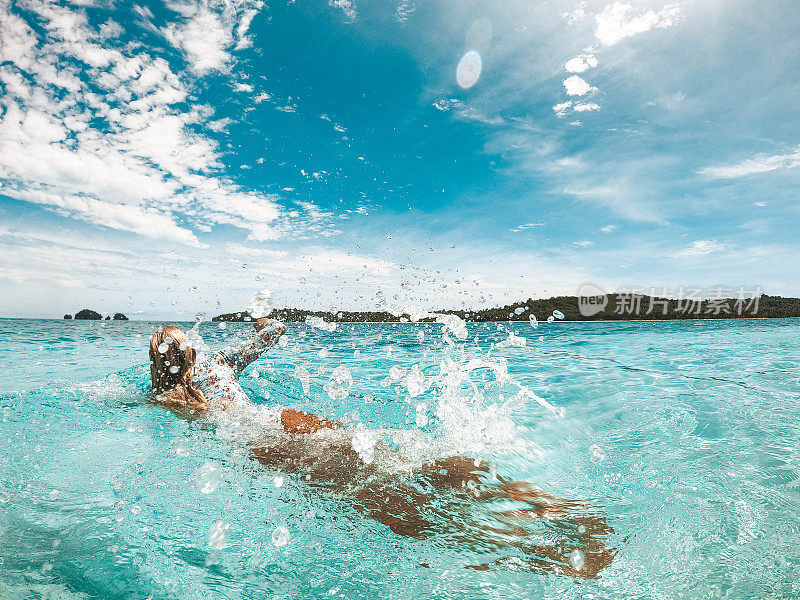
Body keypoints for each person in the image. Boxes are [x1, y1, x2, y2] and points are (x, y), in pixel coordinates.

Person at [148, 318, 616, 578]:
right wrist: (265, 324)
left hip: (265, 444)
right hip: (292, 420)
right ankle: (557, 508)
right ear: (194, 353)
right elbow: (274, 336)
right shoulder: (220, 367)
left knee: (382, 496)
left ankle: (539, 554)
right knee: (396, 457)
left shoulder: (170, 397)